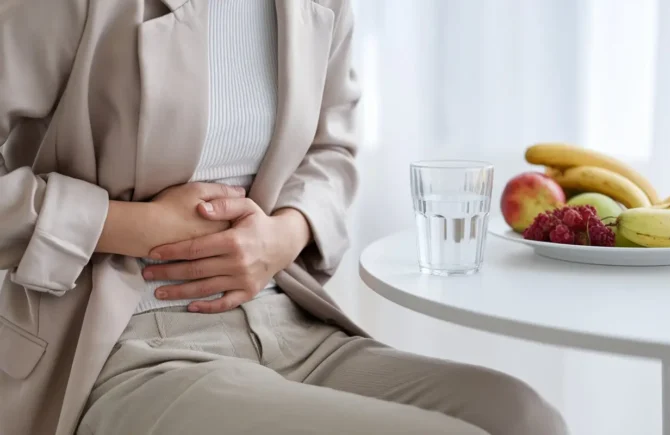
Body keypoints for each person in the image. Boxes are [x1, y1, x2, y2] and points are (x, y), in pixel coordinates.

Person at [0, 0, 569, 434]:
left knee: (523, 416)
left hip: (285, 324)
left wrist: (284, 233)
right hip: (121, 343)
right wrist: (132, 226)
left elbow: (332, 149)